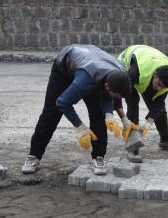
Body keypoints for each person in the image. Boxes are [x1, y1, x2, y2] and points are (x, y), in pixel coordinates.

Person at [23, 44, 131, 175]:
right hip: (65, 69)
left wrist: (109, 115)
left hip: (93, 66)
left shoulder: (121, 74)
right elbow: (62, 103)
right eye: (113, 94)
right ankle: (33, 156)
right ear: (107, 86)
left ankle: (98, 158)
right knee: (51, 113)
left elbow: (109, 95)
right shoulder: (86, 80)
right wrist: (80, 127)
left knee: (99, 116)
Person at [115, 44, 168, 163]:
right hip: (125, 68)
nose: (158, 88)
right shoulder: (135, 72)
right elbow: (118, 92)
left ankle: (165, 140)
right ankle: (133, 146)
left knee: (159, 107)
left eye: (161, 87)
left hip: (149, 64)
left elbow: (158, 104)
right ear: (155, 74)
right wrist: (121, 116)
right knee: (133, 102)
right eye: (158, 84)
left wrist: (148, 123)